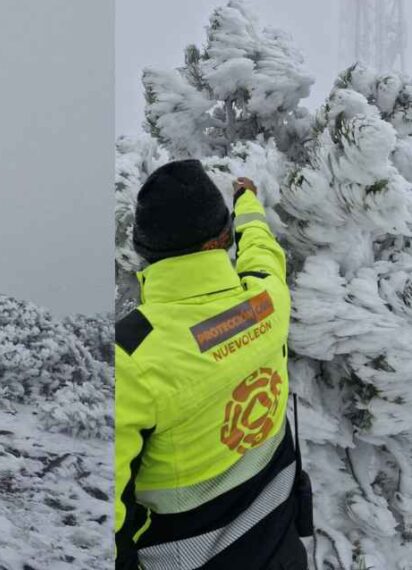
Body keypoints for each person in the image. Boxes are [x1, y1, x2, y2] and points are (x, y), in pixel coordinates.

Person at [115, 159, 311, 569]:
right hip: (280, 546)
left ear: (145, 252)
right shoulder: (265, 302)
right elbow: (262, 252)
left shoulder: (131, 356)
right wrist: (248, 202)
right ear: (223, 237)